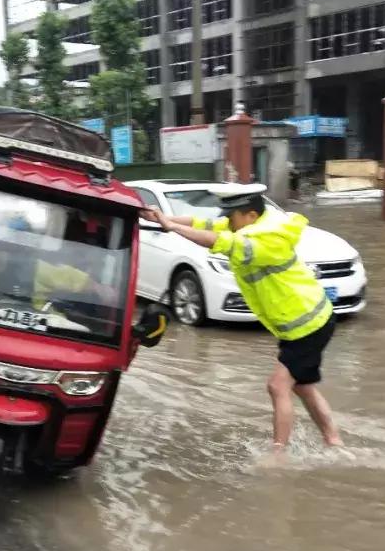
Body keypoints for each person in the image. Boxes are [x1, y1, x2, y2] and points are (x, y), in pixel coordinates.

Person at [142, 185, 342, 451]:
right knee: (302, 387)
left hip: (308, 325)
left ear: (249, 215)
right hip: (301, 324)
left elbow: (219, 241)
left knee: (277, 386)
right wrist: (160, 218)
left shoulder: (268, 240)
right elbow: (203, 223)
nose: (228, 221)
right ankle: (333, 440)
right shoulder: (249, 224)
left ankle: (278, 454)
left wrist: (172, 227)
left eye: (232, 216)